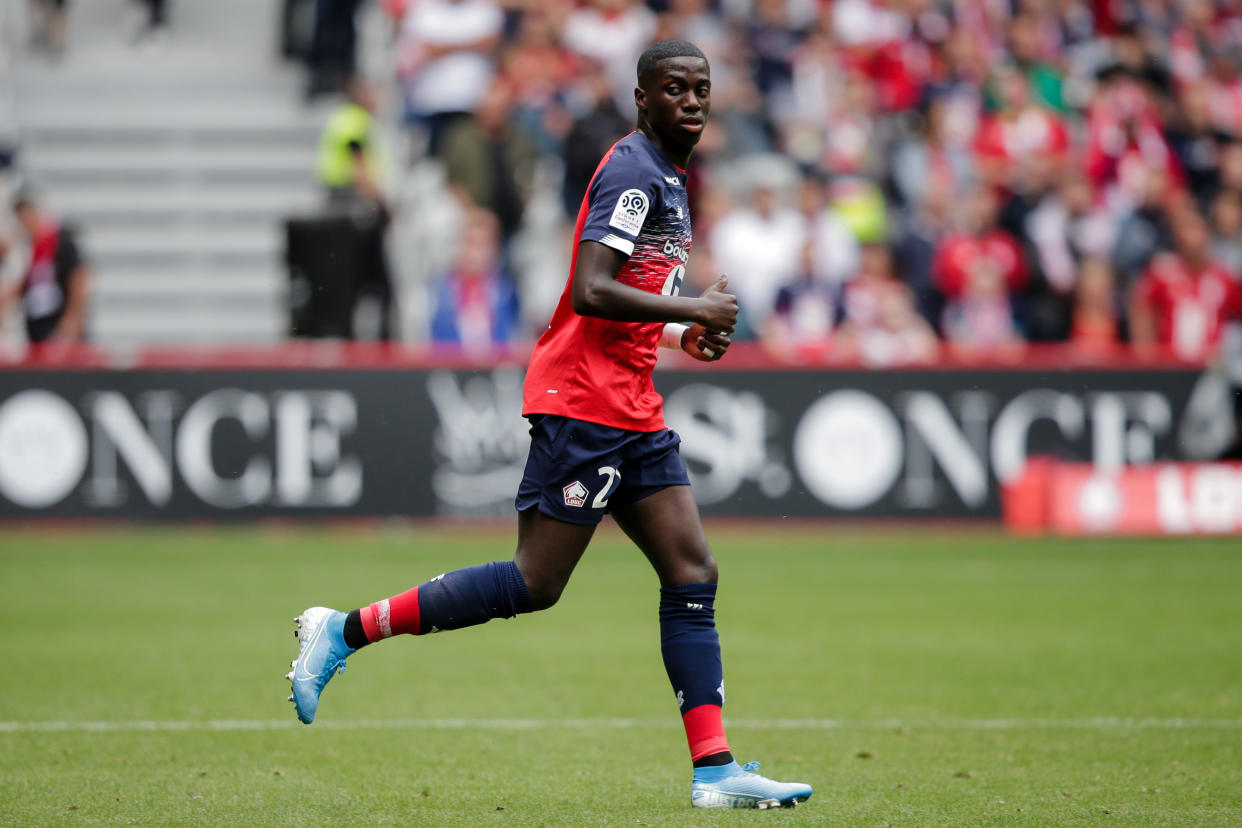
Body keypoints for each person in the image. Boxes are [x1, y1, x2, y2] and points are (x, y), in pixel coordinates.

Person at [287, 39, 813, 811]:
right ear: (642, 99)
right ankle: (344, 630)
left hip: (628, 401)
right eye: (675, 88)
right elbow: (591, 289)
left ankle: (715, 770)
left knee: (692, 571)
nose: (693, 101)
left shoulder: (669, 175)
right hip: (585, 403)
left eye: (702, 88)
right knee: (535, 582)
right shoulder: (635, 170)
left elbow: (624, 303)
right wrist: (694, 305)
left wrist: (678, 335)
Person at [0, 192, 89, 343]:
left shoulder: (61, 242)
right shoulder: (29, 249)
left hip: (60, 323)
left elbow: (79, 277)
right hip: (38, 325)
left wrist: (72, 317)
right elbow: (25, 284)